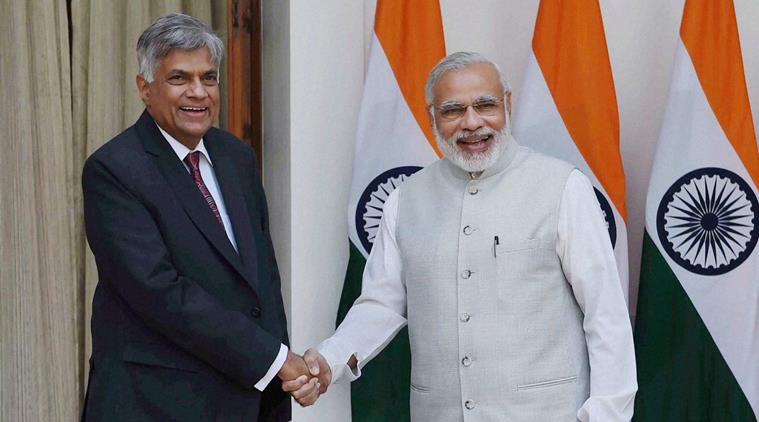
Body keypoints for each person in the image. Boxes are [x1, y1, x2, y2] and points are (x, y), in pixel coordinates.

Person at [287, 52, 637, 421]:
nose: (472, 123)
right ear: (432, 117)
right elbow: (381, 303)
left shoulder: (563, 187)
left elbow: (605, 313)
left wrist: (606, 414)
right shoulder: (405, 199)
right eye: (453, 110)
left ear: (508, 104)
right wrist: (331, 358)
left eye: (485, 105)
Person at [81, 13, 319, 421]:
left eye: (209, 78)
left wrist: (282, 377)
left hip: (245, 400)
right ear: (145, 87)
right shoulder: (114, 169)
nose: (198, 92)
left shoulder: (236, 157)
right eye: (179, 79)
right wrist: (274, 359)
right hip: (155, 404)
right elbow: (160, 293)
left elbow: (262, 279)